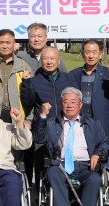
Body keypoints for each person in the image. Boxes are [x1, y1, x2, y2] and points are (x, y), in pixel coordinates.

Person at [43, 87, 109, 206]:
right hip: (61, 165)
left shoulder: (92, 123)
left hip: (86, 166)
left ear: (80, 104)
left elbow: (106, 143)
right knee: (53, 173)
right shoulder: (51, 124)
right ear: (61, 104)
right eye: (66, 102)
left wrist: (97, 154)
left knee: (95, 179)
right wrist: (43, 116)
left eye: (73, 102)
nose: (69, 105)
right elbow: (39, 137)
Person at [20, 46, 72, 190]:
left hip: (66, 127)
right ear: (41, 61)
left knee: (67, 160)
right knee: (41, 163)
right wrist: (26, 83)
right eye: (45, 58)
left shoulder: (68, 78)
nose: (49, 62)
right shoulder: (35, 80)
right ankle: (38, 192)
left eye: (52, 58)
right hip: (43, 128)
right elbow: (27, 103)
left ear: (58, 61)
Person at [68, 40, 109, 144]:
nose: (91, 56)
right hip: (80, 123)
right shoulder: (73, 74)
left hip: (103, 124)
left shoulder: (108, 73)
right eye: (87, 52)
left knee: (103, 153)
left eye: (94, 52)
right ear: (83, 54)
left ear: (100, 54)